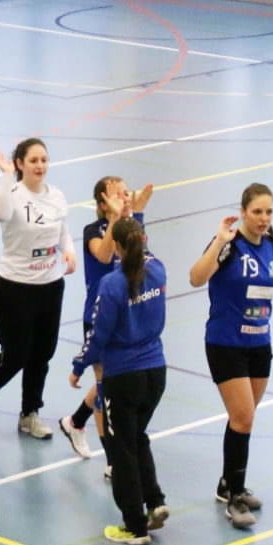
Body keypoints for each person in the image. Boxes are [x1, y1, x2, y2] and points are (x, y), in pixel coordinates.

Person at [188, 183, 273, 530]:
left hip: (259, 343)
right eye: (257, 212)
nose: (264, 219)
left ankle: (228, 482)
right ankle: (235, 497)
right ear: (243, 212)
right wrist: (219, 242)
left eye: (269, 212)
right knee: (243, 416)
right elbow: (195, 278)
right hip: (226, 343)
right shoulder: (229, 245)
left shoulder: (272, 247)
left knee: (243, 419)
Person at [71, 217, 169, 545]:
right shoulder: (158, 270)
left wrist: (79, 365)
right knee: (137, 437)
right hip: (156, 371)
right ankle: (155, 501)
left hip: (123, 376)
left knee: (122, 449)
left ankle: (134, 526)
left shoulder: (112, 284)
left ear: (116, 246)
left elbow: (99, 334)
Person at [0, 138, 75, 441]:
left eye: (44, 160)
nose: (40, 166)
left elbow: (63, 233)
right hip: (15, 288)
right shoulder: (12, 194)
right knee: (15, 355)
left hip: (50, 286)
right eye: (33, 160)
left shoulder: (56, 196)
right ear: (20, 164)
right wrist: (5, 176)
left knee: (42, 354)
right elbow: (0, 213)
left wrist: (69, 252)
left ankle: (30, 413)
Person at [58, 175, 153, 465]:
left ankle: (75, 421)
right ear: (102, 202)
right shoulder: (93, 230)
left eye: (126, 192)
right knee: (106, 388)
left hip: (127, 315)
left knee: (114, 382)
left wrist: (137, 215)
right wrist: (115, 218)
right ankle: (114, 461)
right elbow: (103, 255)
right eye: (118, 194)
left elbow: (140, 254)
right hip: (99, 316)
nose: (125, 197)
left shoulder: (129, 227)